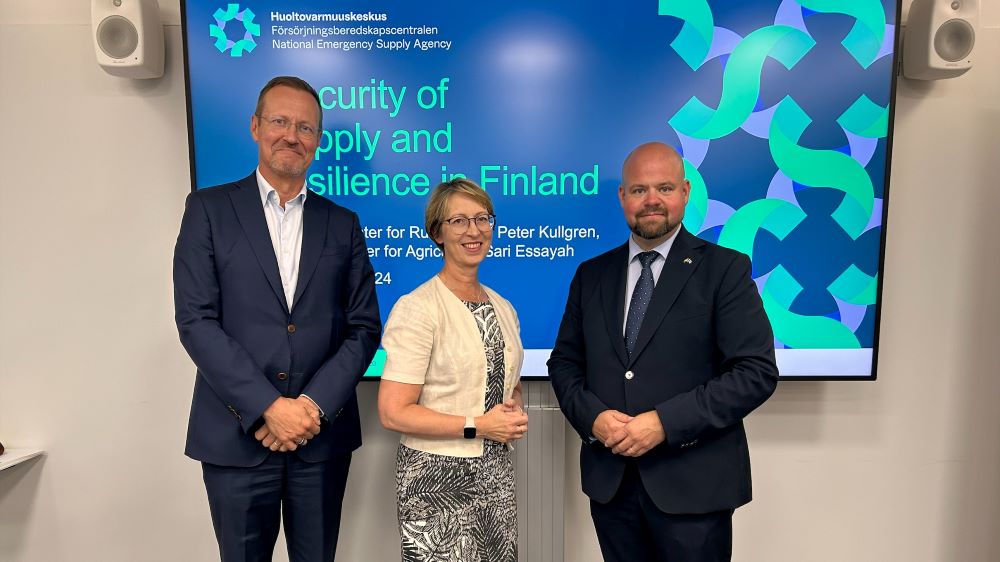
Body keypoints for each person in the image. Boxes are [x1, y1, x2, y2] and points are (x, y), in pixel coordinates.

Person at [173, 76, 381, 561]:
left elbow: (363, 327)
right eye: (280, 122)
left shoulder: (342, 223)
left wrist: (308, 408)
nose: (292, 135)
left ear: (318, 140)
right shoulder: (208, 210)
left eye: (305, 127)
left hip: (319, 438)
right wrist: (269, 406)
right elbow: (196, 321)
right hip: (236, 437)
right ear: (255, 127)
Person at [548, 142, 779, 561]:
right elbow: (564, 363)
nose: (651, 200)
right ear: (622, 197)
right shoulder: (591, 275)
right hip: (612, 486)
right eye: (639, 190)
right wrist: (594, 419)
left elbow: (755, 372)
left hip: (694, 487)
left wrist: (664, 423)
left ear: (685, 192)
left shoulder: (724, 269)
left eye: (664, 188)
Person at [378, 178, 528, 562]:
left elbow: (505, 383)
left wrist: (512, 406)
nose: (473, 231)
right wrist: (478, 425)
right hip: (435, 480)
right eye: (459, 221)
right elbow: (393, 412)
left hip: (495, 474)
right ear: (437, 233)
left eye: (482, 218)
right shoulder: (417, 308)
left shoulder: (504, 307)